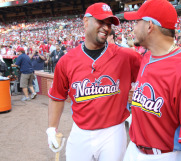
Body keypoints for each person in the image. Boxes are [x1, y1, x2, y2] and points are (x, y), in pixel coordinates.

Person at [123, 0, 181, 161]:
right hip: (133, 149)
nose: (133, 26)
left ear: (149, 26)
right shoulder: (148, 56)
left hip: (165, 156)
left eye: (137, 21)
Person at [46, 3, 141, 161]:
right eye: (101, 21)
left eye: (109, 24)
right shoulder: (66, 61)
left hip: (114, 132)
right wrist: (51, 128)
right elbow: (57, 96)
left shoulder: (127, 56)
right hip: (80, 131)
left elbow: (154, 77)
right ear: (85, 22)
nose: (106, 27)